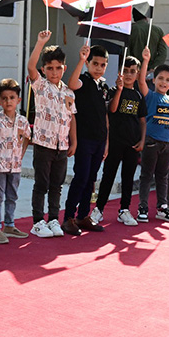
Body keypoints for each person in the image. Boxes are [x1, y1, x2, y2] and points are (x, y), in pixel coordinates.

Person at [26, 30, 76, 238]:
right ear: (43, 69)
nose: (54, 72)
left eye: (58, 68)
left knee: (57, 185)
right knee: (42, 184)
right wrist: (40, 43)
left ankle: (54, 218)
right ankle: (38, 221)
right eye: (49, 68)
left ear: (64, 68)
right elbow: (30, 66)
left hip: (62, 146)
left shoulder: (68, 91)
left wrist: (74, 142)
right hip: (43, 144)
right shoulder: (40, 86)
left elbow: (72, 117)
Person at [63, 44, 110, 235]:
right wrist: (81, 60)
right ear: (89, 63)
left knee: (91, 180)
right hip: (84, 139)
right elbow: (72, 84)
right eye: (95, 63)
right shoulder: (83, 80)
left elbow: (105, 115)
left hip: (99, 140)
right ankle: (68, 218)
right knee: (81, 178)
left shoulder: (103, 86)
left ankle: (83, 215)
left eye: (103, 64)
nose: (99, 68)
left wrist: (106, 141)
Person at [94, 56, 145, 226]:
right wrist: (120, 90)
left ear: (137, 74)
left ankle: (124, 209)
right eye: (126, 71)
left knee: (128, 177)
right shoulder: (113, 90)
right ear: (120, 73)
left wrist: (142, 140)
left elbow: (142, 120)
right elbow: (113, 108)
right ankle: (98, 209)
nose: (129, 75)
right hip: (115, 142)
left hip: (132, 143)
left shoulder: (138, 95)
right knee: (108, 176)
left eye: (132, 72)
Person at [136, 47, 169, 223]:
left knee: (163, 177)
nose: (163, 82)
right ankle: (143, 207)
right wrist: (146, 60)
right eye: (160, 78)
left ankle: (162, 207)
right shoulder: (151, 96)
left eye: (167, 80)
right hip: (151, 142)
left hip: (167, 145)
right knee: (146, 175)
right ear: (154, 80)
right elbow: (141, 83)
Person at [0, 79, 31, 243]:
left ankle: (10, 225)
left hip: (15, 165)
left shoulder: (22, 121)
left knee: (12, 195)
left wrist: (22, 152)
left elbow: (27, 137)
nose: (8, 101)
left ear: (18, 100)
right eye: (4, 98)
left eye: (12, 97)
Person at [126, 10, 168, 78]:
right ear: (146, 16)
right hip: (150, 72)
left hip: (133, 71)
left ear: (134, 17)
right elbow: (163, 54)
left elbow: (126, 51)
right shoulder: (158, 30)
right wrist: (153, 69)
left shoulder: (129, 30)